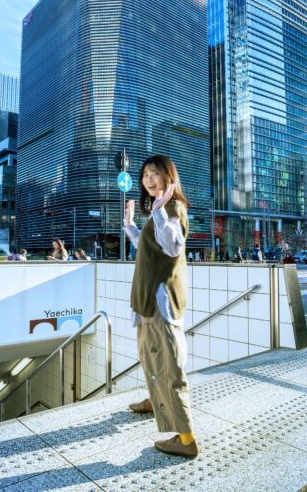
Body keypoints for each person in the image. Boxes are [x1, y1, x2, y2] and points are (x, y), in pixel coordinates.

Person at [123, 154, 198, 458]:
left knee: (169, 366)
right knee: (149, 357)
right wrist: (130, 226)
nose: (149, 180)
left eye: (155, 173)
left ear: (169, 176)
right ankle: (156, 402)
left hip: (160, 301)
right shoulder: (160, 210)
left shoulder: (173, 207)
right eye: (145, 176)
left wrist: (157, 212)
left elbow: (174, 246)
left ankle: (187, 438)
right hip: (145, 299)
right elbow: (148, 245)